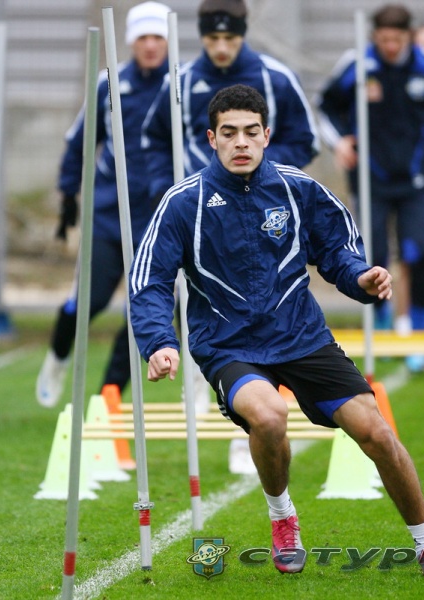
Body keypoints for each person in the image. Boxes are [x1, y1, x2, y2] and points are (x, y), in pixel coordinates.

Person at [129, 83, 424, 578]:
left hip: (302, 337)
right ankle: (283, 517)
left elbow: (338, 251)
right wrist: (159, 341)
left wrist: (361, 278)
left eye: (250, 132)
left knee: (376, 432)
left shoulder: (299, 188)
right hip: (228, 344)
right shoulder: (183, 202)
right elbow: (149, 280)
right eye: (229, 133)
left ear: (266, 135)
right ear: (211, 139)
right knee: (269, 416)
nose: (241, 142)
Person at [142, 0, 320, 472]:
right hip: (197, 213)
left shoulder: (275, 77)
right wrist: (164, 187)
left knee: (260, 311)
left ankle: (249, 431)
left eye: (230, 38)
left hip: (263, 216)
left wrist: (263, 178)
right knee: (191, 302)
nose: (221, 48)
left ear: (243, 34)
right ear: (201, 36)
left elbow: (306, 139)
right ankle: (202, 388)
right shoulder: (179, 81)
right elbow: (152, 138)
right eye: (212, 38)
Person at [315, 4, 424, 372]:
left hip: (419, 179)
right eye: (383, 39)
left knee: (421, 254)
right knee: (374, 257)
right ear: (375, 36)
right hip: (371, 179)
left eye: (396, 40)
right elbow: (325, 107)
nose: (390, 46)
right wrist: (340, 142)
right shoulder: (357, 63)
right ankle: (383, 323)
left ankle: (416, 334)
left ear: (408, 36)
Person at [36, 2, 171, 407]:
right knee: (87, 303)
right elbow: (79, 141)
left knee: (142, 311)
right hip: (108, 216)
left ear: (167, 42)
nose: (150, 45)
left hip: (159, 220)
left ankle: (107, 397)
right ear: (130, 41)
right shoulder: (108, 83)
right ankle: (58, 358)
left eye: (158, 37)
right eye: (143, 37)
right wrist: (68, 195)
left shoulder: (181, 84)